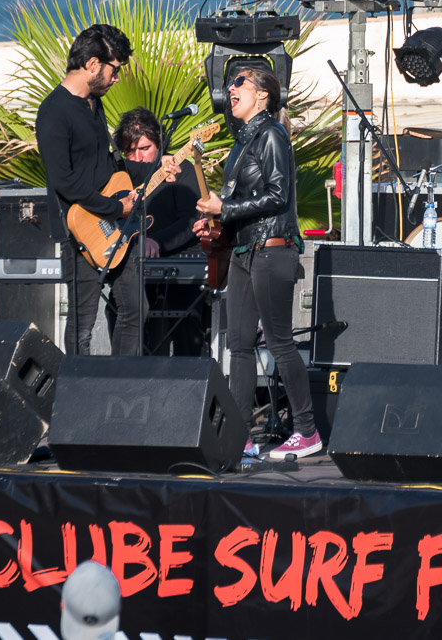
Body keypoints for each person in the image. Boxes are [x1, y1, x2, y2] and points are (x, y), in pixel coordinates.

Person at [193, 67, 320, 460]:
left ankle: (308, 431)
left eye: (240, 83)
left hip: (272, 249)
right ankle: (240, 435)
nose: (230, 89)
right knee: (239, 344)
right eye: (229, 83)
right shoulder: (241, 141)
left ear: (263, 95)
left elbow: (278, 195)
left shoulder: (272, 134)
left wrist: (225, 208)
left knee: (279, 343)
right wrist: (215, 219)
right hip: (244, 251)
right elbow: (237, 203)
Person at [35, 23, 143, 355]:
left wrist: (155, 168)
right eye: (115, 69)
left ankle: (123, 381)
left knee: (135, 311)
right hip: (80, 230)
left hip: (115, 224)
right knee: (82, 326)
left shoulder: (94, 103)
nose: (116, 78)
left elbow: (104, 167)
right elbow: (64, 180)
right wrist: (116, 208)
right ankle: (76, 385)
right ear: (94, 64)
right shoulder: (54, 111)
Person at [114, 107, 205, 355]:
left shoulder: (182, 169)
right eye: (130, 151)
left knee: (187, 329)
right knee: (118, 313)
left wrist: (156, 242)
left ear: (160, 143)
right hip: (131, 262)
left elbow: (190, 220)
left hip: (179, 263)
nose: (138, 157)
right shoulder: (120, 176)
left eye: (145, 148)